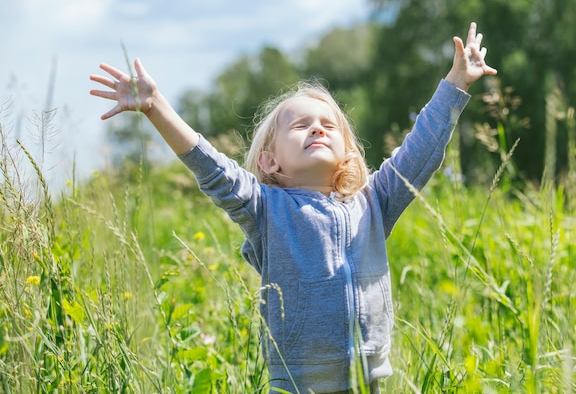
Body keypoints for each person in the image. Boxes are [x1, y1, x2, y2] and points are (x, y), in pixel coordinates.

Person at [90, 22, 497, 394]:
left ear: (347, 153)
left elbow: (419, 150)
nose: (317, 127)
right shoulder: (266, 209)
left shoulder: (373, 200)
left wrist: (456, 82)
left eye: (328, 124)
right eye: (301, 125)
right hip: (300, 384)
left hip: (368, 379)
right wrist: (156, 106)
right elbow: (212, 169)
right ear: (270, 161)